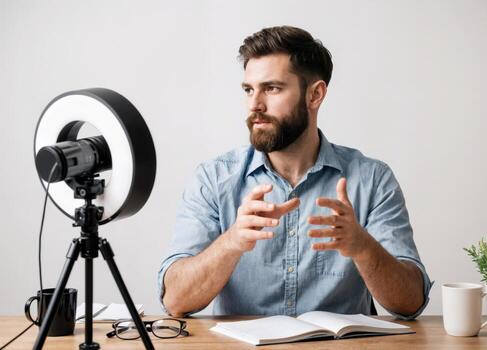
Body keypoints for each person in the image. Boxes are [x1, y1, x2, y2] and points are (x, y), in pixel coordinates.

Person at [158, 25, 432, 319]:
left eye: (272, 88)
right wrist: (233, 241)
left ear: (315, 95)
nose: (255, 105)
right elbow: (175, 301)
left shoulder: (372, 180)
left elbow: (411, 302)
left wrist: (363, 246)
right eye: (249, 90)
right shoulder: (213, 179)